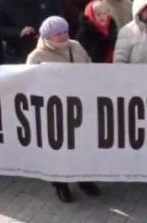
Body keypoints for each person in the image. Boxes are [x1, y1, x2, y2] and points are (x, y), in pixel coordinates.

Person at [24, 16, 101, 203]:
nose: (64, 35)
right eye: (59, 33)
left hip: (80, 106)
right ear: (48, 35)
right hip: (54, 112)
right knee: (58, 150)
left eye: (65, 31)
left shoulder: (75, 46)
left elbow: (89, 66)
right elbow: (30, 85)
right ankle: (61, 184)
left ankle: (84, 179)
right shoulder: (36, 57)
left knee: (82, 146)